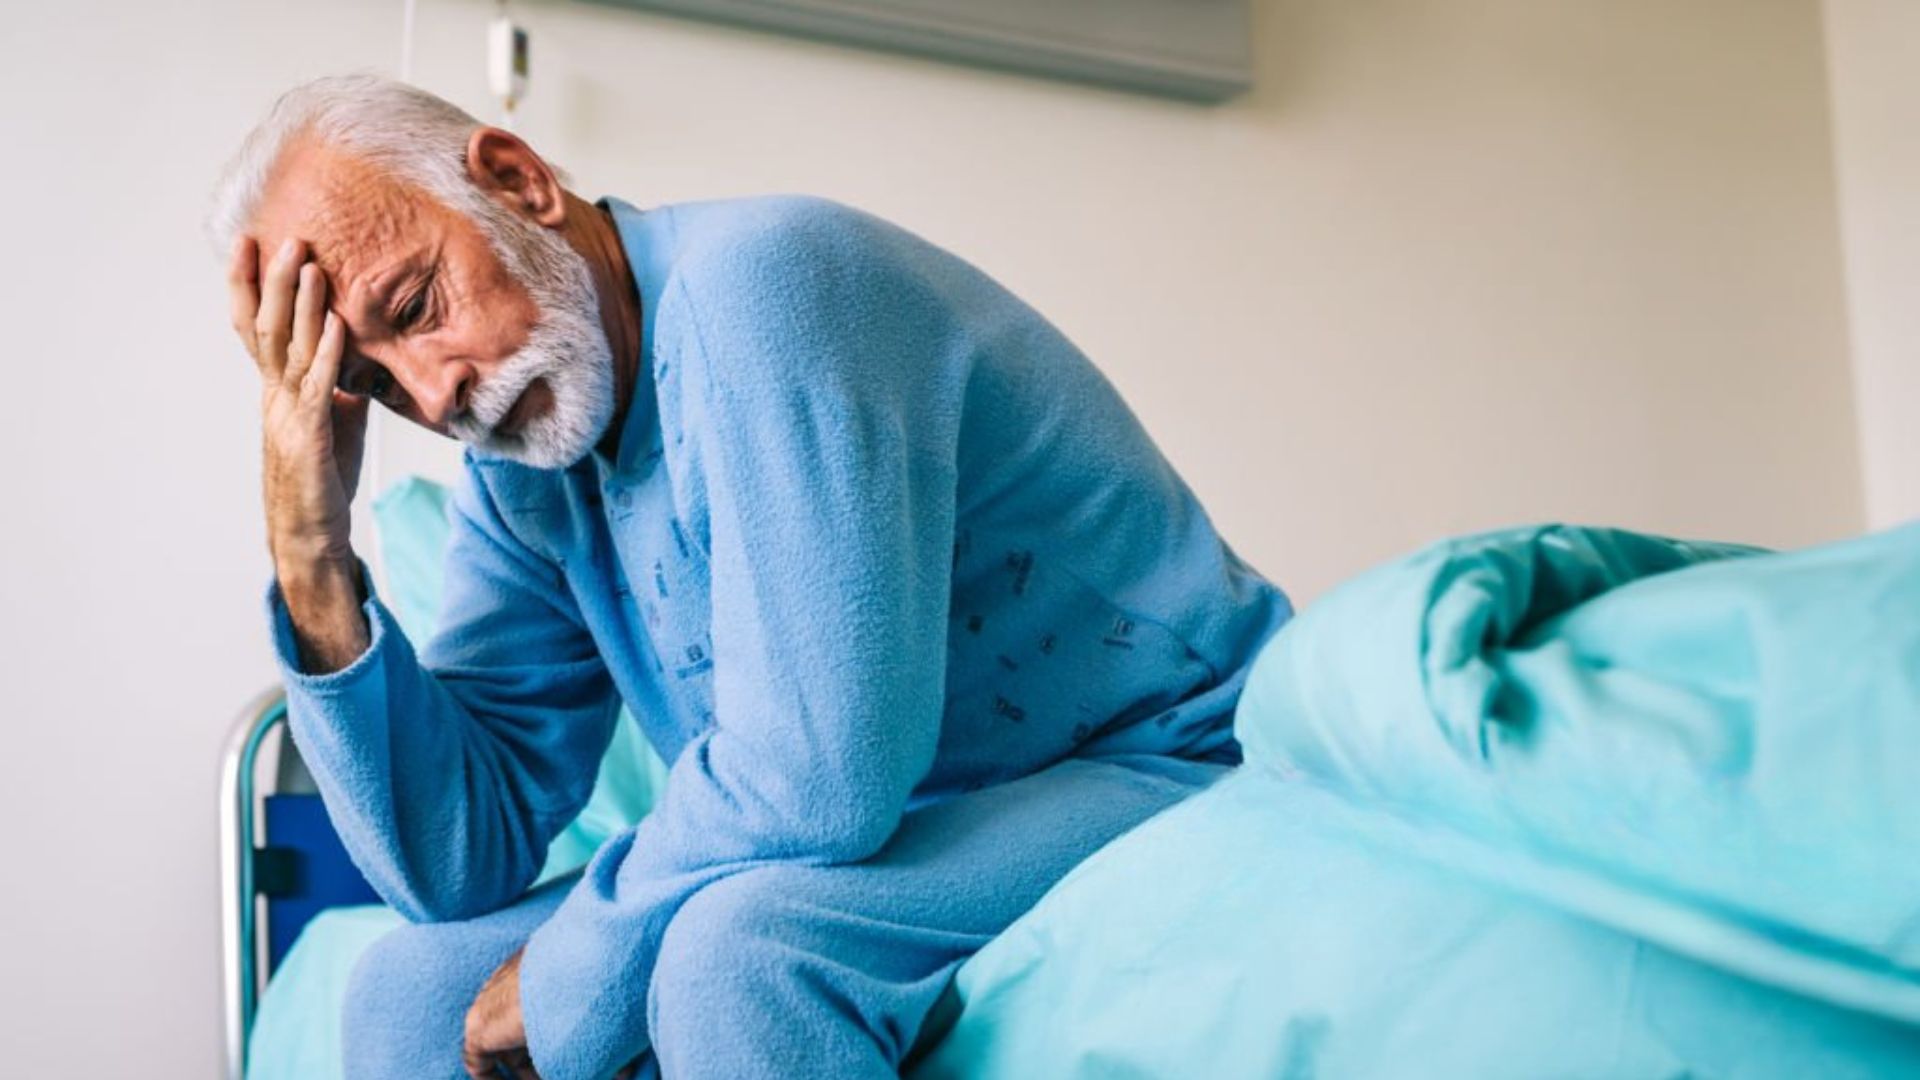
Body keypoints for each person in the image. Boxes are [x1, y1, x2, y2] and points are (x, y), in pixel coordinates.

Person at [213, 73, 1290, 1080]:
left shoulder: (765, 283)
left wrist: (566, 974)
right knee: (407, 992)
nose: (435, 395)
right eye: (375, 385)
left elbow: (819, 775)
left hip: (1159, 757)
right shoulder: (525, 469)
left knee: (740, 957)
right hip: (906, 828)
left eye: (414, 308)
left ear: (518, 180)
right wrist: (311, 555)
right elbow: (453, 863)